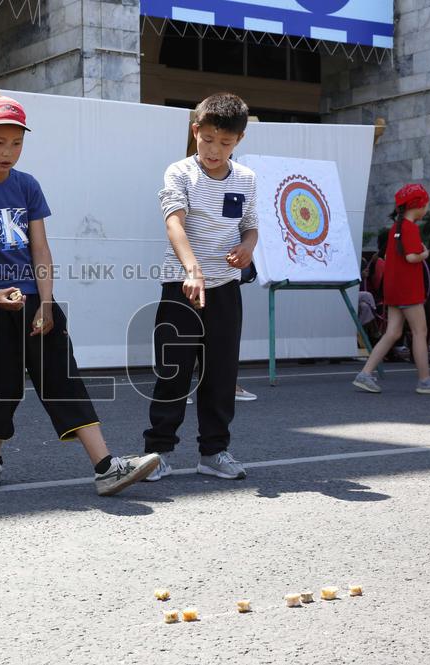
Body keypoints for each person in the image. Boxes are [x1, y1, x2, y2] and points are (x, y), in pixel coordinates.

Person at [0, 96, 160, 496]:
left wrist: (46, 301)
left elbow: (40, 249)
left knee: (63, 378)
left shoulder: (27, 186)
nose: (8, 152)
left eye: (16, 143)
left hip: (36, 299)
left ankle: (105, 466)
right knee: (1, 388)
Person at [142, 92, 258, 483]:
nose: (214, 150)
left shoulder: (246, 178)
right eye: (208, 140)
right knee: (173, 371)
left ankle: (214, 452)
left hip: (225, 287)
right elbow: (174, 222)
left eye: (225, 143)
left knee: (221, 374)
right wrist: (192, 270)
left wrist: (247, 247)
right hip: (182, 285)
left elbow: (250, 225)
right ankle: (157, 452)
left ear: (239, 141)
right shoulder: (179, 173)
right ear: (196, 132)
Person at [353, 184, 430, 394]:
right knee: (419, 331)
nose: (426, 209)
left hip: (394, 289)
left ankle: (365, 373)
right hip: (409, 288)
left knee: (393, 332)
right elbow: (411, 257)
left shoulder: (395, 229)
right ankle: (425, 379)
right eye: (425, 204)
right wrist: (425, 253)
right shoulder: (411, 228)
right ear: (418, 206)